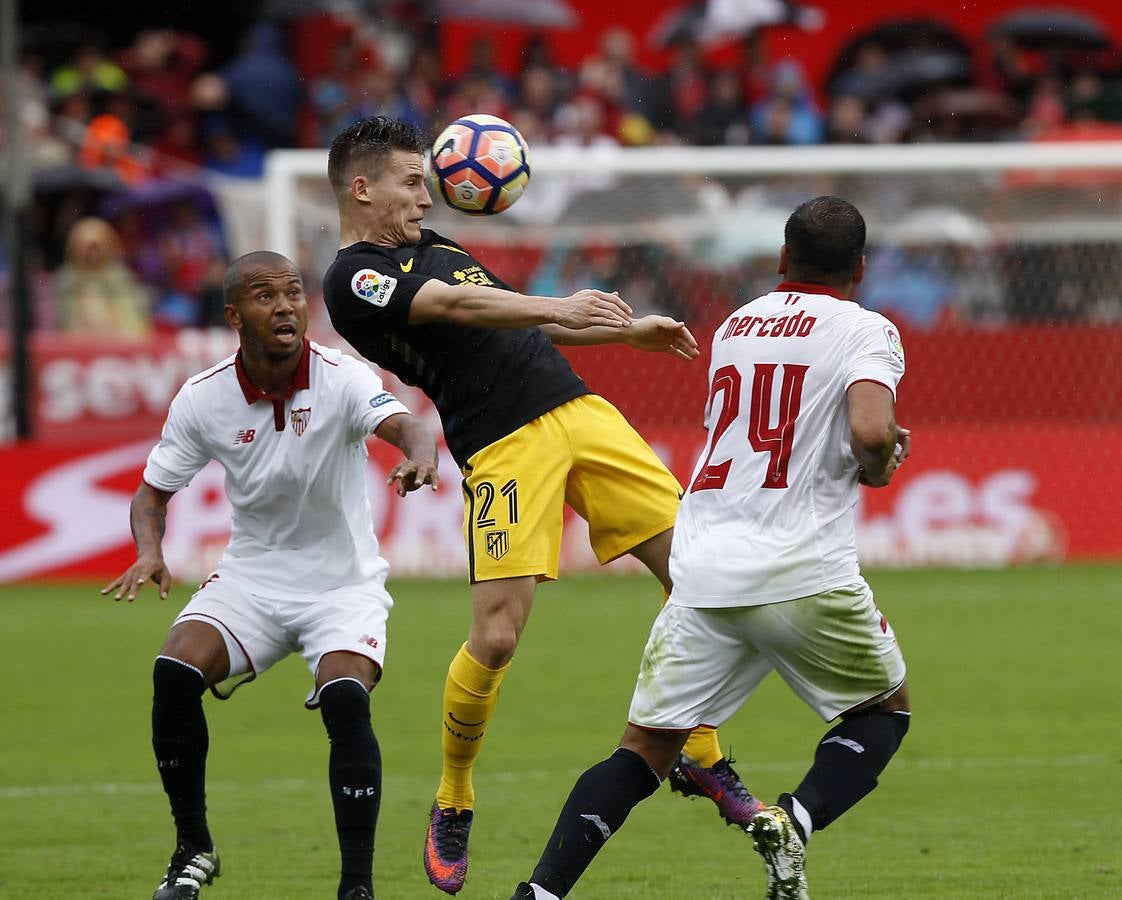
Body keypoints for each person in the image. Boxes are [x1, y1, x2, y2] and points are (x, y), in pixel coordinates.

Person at [321, 115, 759, 896]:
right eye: (411, 183)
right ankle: (455, 796)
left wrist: (623, 334)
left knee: (704, 578)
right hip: (502, 445)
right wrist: (560, 305)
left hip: (580, 410)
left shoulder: (445, 252)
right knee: (497, 635)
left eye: (427, 179)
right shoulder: (354, 275)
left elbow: (515, 329)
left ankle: (700, 750)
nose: (427, 196)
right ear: (362, 189)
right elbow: (460, 313)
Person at [510, 196, 913, 900]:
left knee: (642, 750)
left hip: (704, 566)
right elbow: (872, 434)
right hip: (802, 566)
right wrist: (878, 466)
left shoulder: (735, 324)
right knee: (884, 711)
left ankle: (539, 894)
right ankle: (796, 816)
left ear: (783, 260)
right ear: (861, 268)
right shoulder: (867, 329)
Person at [102, 251, 439, 900]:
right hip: (252, 580)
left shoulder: (341, 376)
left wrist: (419, 457)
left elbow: (407, 424)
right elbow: (151, 496)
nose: (285, 305)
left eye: (292, 293)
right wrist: (149, 549)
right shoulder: (203, 398)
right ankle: (193, 849)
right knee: (172, 673)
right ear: (233, 315)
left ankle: (357, 889)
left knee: (345, 699)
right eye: (264, 296)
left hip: (343, 584)